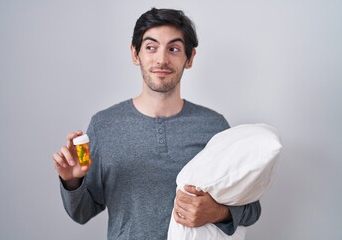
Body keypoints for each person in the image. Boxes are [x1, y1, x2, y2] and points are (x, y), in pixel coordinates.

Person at [52, 8, 261, 240]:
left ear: (190, 58)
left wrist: (219, 212)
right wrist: (73, 182)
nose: (162, 59)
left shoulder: (214, 126)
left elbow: (252, 209)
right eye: (151, 47)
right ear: (135, 54)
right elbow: (81, 213)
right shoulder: (104, 125)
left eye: (173, 49)